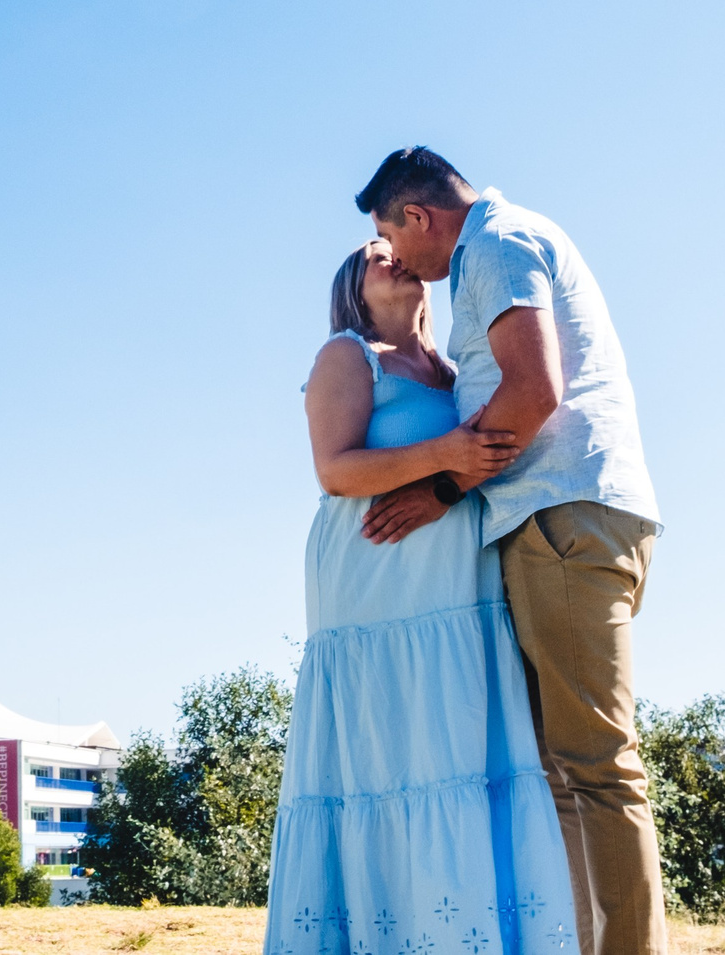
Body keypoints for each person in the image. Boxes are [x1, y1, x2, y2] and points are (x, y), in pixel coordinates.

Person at [355, 148, 664, 955]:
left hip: (562, 516)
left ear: (417, 216)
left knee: (595, 764)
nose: (397, 257)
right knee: (563, 767)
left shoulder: (491, 245)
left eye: (391, 235)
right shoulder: (507, 239)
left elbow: (532, 390)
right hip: (566, 517)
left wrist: (442, 489)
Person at [265, 237, 579, 955]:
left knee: (465, 756)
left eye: (400, 246)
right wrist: (445, 454)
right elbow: (335, 469)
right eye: (378, 253)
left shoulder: (455, 369)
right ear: (354, 286)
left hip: (461, 595)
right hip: (374, 589)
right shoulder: (348, 354)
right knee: (390, 762)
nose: (396, 255)